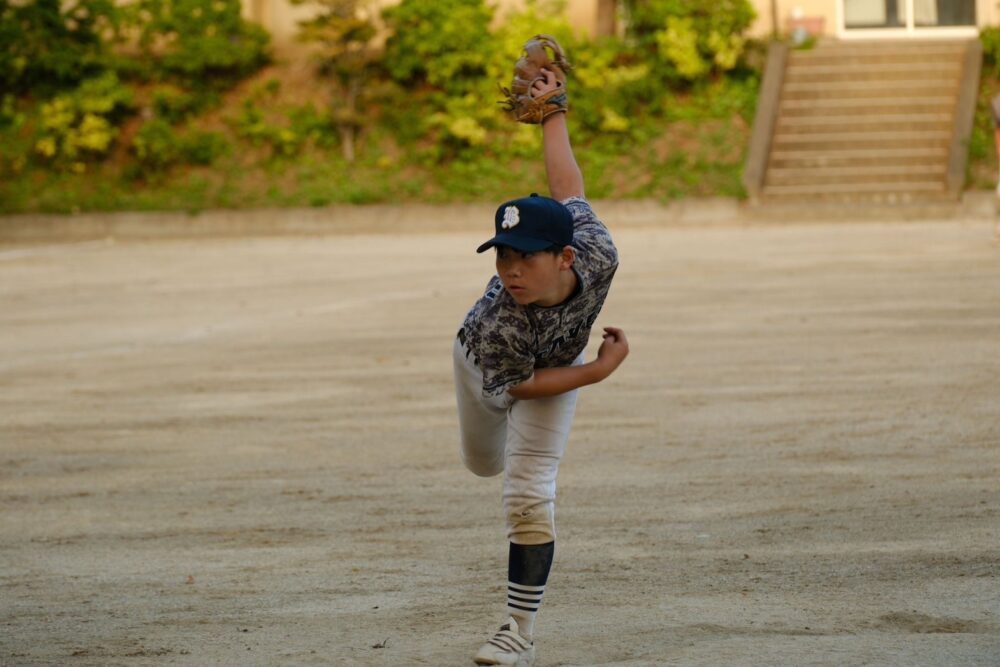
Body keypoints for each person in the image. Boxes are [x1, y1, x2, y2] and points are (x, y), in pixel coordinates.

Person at [452, 68, 629, 667]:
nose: (511, 271)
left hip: (554, 363)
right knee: (483, 463)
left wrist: (553, 111)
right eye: (503, 257)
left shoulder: (598, 252)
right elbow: (520, 384)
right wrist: (598, 373)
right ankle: (496, 450)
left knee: (526, 490)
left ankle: (517, 632)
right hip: (486, 368)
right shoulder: (498, 319)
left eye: (525, 258)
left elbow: (567, 185)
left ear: (566, 255)